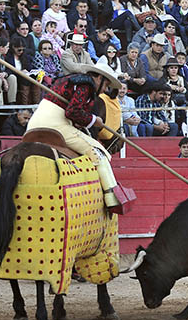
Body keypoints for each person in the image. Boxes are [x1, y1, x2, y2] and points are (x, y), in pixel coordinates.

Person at [26, 63, 131, 210]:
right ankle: (111, 198)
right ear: (99, 78)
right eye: (106, 84)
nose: (105, 90)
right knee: (98, 152)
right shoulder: (85, 85)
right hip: (55, 125)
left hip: (35, 123)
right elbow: (73, 112)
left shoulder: (70, 79)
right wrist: (94, 120)